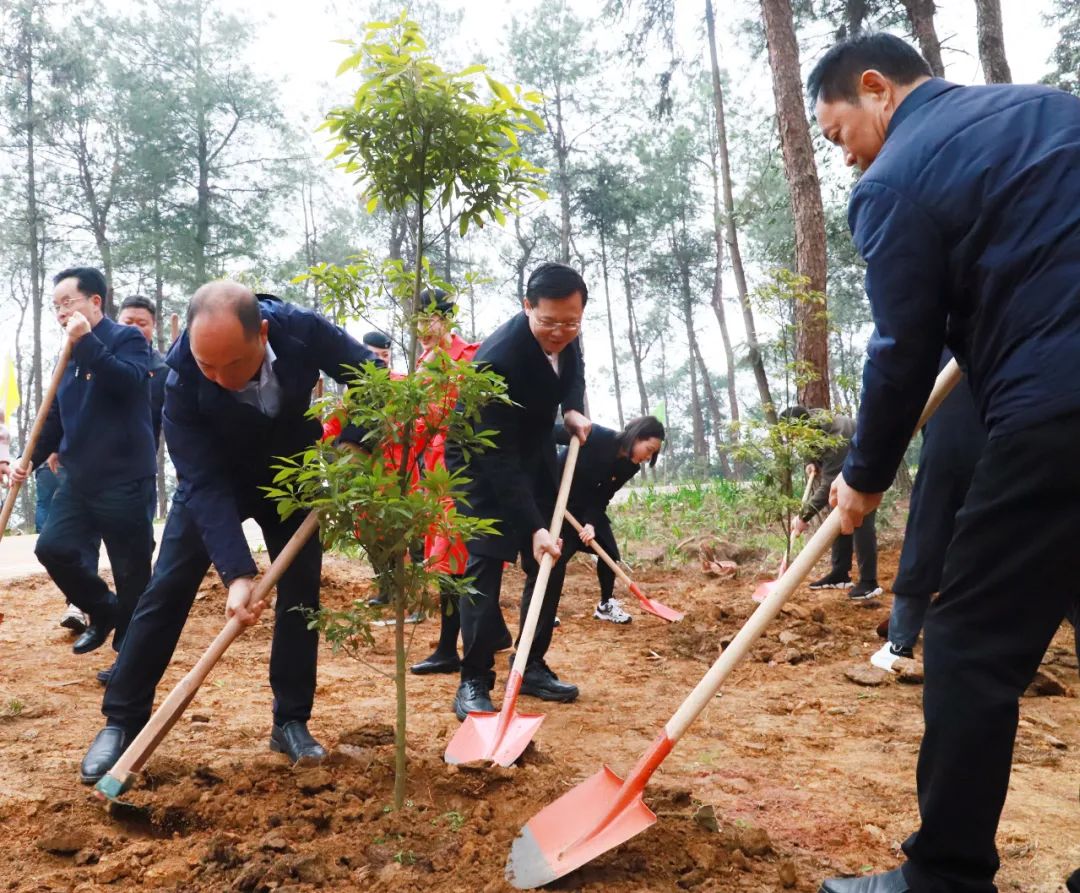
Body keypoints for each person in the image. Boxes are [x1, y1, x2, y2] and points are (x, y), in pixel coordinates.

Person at [808, 33, 1080, 893]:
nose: (842, 153)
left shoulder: (894, 182)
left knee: (966, 638)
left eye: (836, 131)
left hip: (1059, 405)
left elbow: (901, 347)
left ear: (877, 88)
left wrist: (863, 475)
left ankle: (944, 877)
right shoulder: (1047, 111)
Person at [78, 283, 382, 785]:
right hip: (216, 482)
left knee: (302, 593)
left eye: (231, 365)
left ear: (262, 333)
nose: (217, 378)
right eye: (207, 365)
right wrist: (238, 574)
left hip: (291, 476)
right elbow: (201, 482)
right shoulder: (179, 381)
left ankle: (290, 721)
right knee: (167, 588)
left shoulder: (301, 330)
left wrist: (354, 442)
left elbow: (373, 379)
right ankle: (123, 721)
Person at [444, 262, 591, 720]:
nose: (560, 331)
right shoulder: (498, 358)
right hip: (480, 460)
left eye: (571, 321)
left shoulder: (567, 328)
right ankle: (474, 678)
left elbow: (574, 366)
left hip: (532, 448)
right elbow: (498, 459)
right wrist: (530, 526)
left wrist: (571, 409)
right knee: (486, 560)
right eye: (549, 321)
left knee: (552, 557)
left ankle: (528, 666)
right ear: (527, 307)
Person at [10, 267, 156, 658]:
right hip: (79, 479)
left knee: (131, 573)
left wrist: (86, 341)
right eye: (55, 307)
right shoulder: (69, 352)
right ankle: (101, 609)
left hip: (124, 477)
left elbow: (126, 381)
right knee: (52, 548)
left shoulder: (127, 338)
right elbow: (56, 417)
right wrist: (29, 458)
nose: (60, 313)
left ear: (96, 302)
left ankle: (128, 660)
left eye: (67, 303)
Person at [410, 289, 513, 674]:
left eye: (430, 319)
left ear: (448, 320)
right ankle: (492, 633)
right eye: (418, 320)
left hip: (466, 473)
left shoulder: (470, 358)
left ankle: (449, 649)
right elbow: (420, 425)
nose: (423, 328)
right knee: (447, 561)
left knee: (457, 562)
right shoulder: (423, 364)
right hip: (435, 478)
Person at [871, 351, 985, 672]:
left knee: (925, 540)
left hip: (951, 447)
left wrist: (865, 470)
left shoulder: (940, 328)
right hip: (1012, 439)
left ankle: (900, 644)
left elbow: (897, 377)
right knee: (1038, 541)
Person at [552, 416, 665, 625]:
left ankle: (605, 605)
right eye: (648, 449)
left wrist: (591, 523)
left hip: (585, 507)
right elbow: (547, 434)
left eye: (653, 454)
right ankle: (544, 609)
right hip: (557, 502)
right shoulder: (596, 435)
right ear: (636, 437)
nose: (648, 457)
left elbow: (604, 494)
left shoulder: (629, 467)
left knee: (609, 553)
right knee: (556, 556)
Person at [785, 406, 882, 601]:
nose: (793, 440)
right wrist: (810, 461)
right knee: (837, 515)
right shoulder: (811, 424)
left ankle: (869, 582)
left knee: (860, 518)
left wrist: (804, 516)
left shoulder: (836, 437)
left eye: (794, 434)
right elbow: (807, 444)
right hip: (846, 460)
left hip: (868, 463)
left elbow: (828, 485)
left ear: (804, 426)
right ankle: (840, 574)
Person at [117, 295, 169, 451]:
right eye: (128, 322)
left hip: (141, 461)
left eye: (142, 323)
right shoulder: (101, 358)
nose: (134, 328)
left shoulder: (164, 369)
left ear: (153, 326)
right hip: (93, 459)